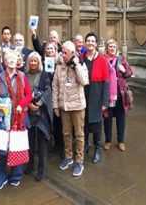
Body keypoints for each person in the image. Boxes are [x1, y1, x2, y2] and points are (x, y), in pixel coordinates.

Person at [0, 50, 32, 190]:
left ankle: (16, 176)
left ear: (17, 61)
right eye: (9, 59)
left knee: (17, 147)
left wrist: (21, 105)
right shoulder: (0, 77)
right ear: (5, 61)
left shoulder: (22, 76)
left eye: (14, 59)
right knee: (0, 148)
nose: (11, 61)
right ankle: (0, 178)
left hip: (19, 118)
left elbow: (29, 95)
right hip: (3, 118)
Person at [53, 41, 88, 177]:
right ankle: (68, 157)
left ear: (73, 53)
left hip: (77, 105)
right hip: (64, 106)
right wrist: (55, 105)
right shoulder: (59, 66)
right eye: (63, 52)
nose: (64, 55)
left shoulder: (80, 64)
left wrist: (76, 65)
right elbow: (55, 86)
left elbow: (84, 81)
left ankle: (79, 161)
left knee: (79, 134)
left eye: (66, 53)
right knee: (66, 133)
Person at [81, 32, 110, 164]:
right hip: (83, 95)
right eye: (88, 41)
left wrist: (105, 101)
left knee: (97, 124)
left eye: (93, 41)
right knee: (85, 123)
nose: (90, 43)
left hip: (96, 96)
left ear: (96, 44)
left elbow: (107, 81)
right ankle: (86, 144)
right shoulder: (82, 57)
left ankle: (97, 148)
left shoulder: (102, 60)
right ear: (85, 43)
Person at [25, 52, 52, 181]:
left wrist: (40, 102)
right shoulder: (24, 76)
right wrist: (28, 104)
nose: (33, 63)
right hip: (28, 112)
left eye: (35, 61)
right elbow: (22, 92)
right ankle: (30, 166)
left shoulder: (44, 75)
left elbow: (48, 89)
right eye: (31, 61)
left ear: (39, 62)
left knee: (41, 143)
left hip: (41, 113)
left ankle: (41, 170)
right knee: (29, 142)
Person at [103, 39, 133, 152]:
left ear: (117, 48)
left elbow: (130, 73)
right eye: (110, 46)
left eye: (114, 47)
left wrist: (124, 70)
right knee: (107, 119)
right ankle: (108, 140)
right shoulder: (103, 60)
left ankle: (120, 141)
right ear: (107, 48)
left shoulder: (121, 59)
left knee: (121, 119)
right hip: (107, 95)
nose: (112, 48)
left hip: (120, 94)